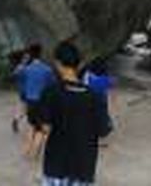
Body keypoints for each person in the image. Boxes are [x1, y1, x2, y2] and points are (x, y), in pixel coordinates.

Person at [39, 41, 111, 186]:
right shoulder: (95, 96)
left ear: (57, 63)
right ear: (78, 64)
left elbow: (46, 128)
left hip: (56, 163)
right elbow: (104, 130)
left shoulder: (51, 92)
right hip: (83, 166)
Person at [15, 43, 55, 157]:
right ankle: (34, 154)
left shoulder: (26, 69)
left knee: (31, 125)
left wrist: (22, 63)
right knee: (41, 130)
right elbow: (52, 85)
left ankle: (26, 151)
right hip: (42, 103)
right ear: (40, 54)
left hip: (29, 102)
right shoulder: (47, 70)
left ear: (30, 55)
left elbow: (17, 75)